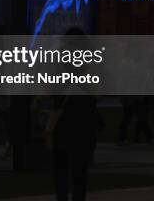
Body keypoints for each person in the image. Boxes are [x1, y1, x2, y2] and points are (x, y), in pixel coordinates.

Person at [48, 28, 101, 201]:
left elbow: (49, 90)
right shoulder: (92, 64)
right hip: (84, 124)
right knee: (80, 174)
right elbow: (97, 93)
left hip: (62, 124)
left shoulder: (56, 63)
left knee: (61, 172)